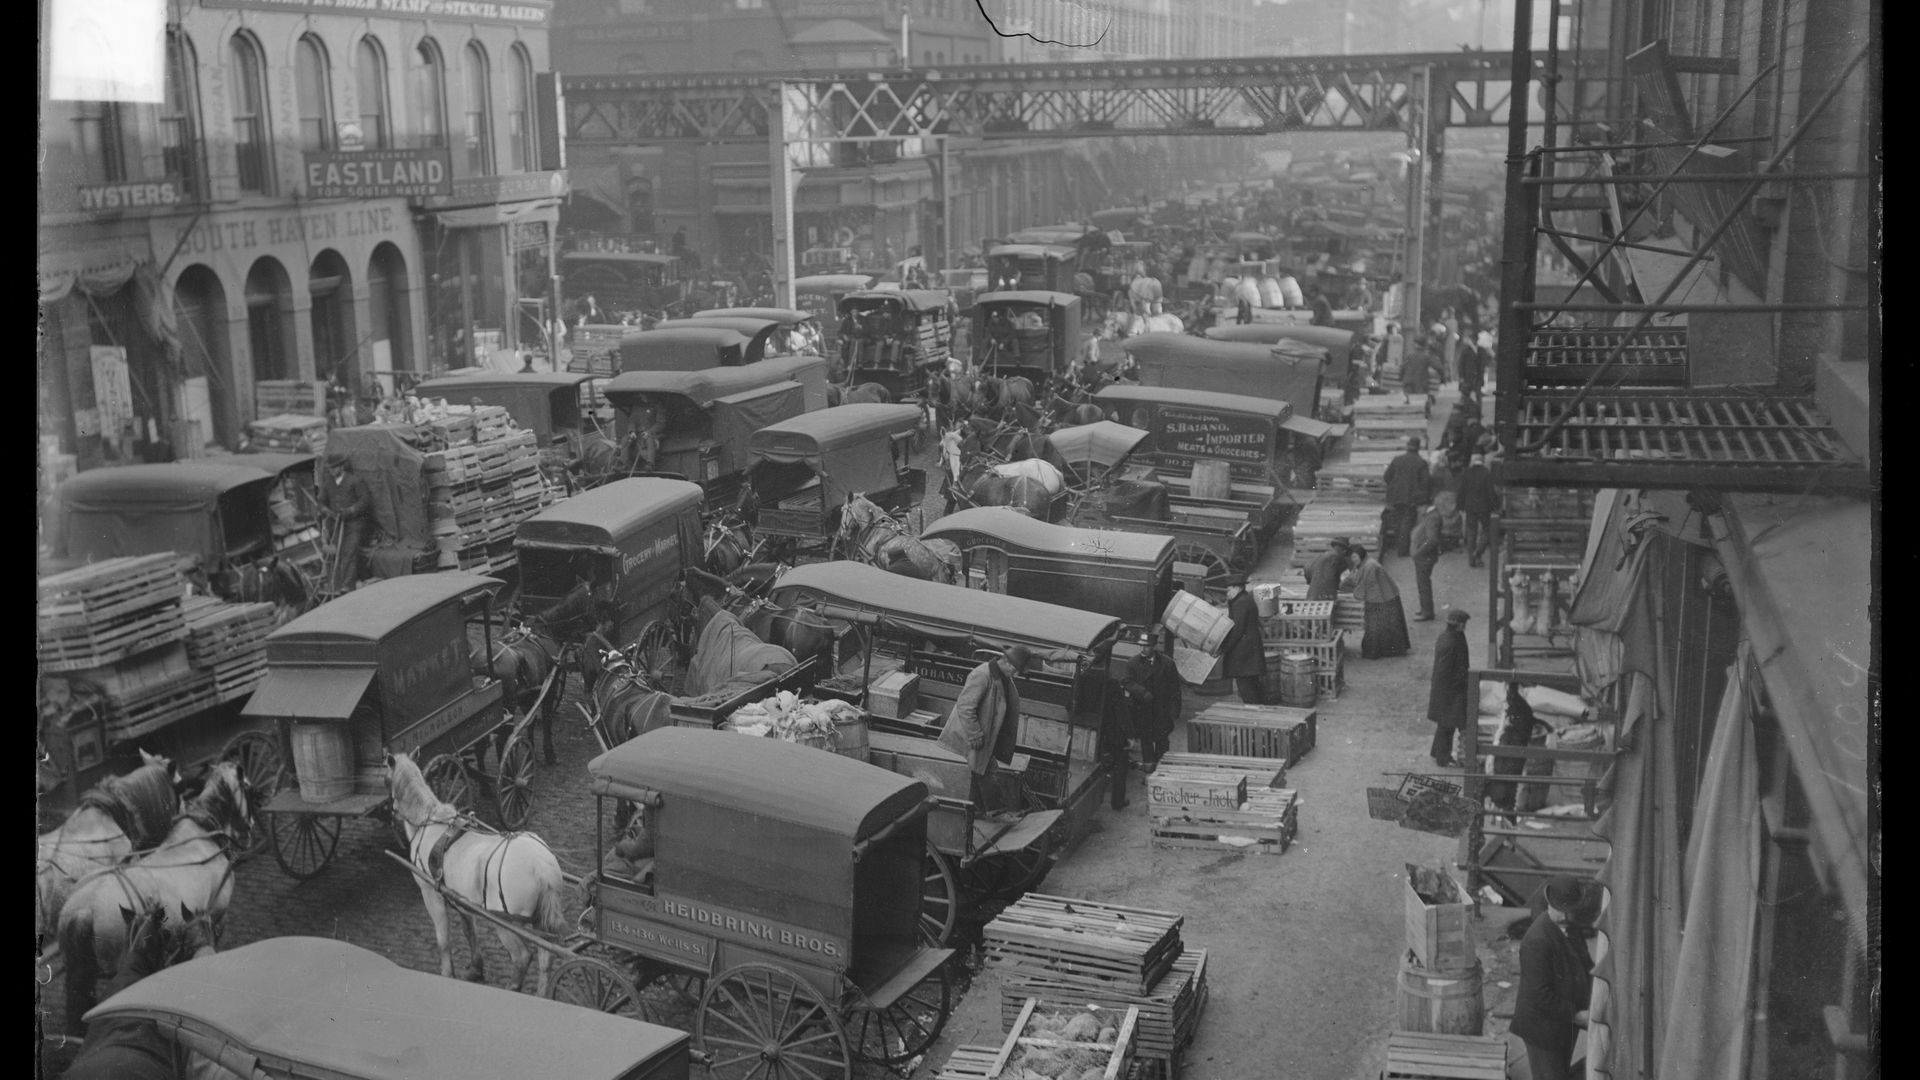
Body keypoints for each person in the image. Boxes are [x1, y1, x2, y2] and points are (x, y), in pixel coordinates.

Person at [1511, 874, 1595, 1080]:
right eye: (1561, 910)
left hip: (1563, 1025)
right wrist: (1577, 1015)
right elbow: (1539, 995)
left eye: (1570, 910)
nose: (1566, 916)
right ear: (1549, 904)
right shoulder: (1537, 940)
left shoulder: (1571, 928)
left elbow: (1586, 965)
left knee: (1560, 1072)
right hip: (1542, 1031)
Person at [937, 645, 1034, 809]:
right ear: (1008, 663)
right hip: (974, 737)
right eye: (1017, 670)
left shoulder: (1002, 677)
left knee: (980, 772)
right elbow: (965, 706)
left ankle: (978, 811)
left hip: (986, 737)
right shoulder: (982, 675)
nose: (1016, 674)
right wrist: (975, 734)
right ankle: (997, 812)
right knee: (987, 773)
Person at [1122, 627, 1181, 774]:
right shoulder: (1133, 663)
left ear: (1154, 647)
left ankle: (1162, 771)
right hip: (1143, 710)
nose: (1143, 648)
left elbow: (1175, 689)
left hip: (1162, 710)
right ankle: (1149, 770)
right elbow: (1126, 681)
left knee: (1162, 741)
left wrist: (1174, 712)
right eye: (1141, 645)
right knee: (1146, 741)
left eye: (1147, 646)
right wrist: (1142, 692)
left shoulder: (1167, 663)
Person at [1344, 544, 1410, 659]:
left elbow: (1366, 585)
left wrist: (1354, 592)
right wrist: (1343, 585)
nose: (1353, 560)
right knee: (1380, 625)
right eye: (1352, 557)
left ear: (1361, 555)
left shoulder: (1370, 565)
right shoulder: (1361, 564)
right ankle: (1385, 650)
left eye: (1355, 557)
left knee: (1377, 625)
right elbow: (1353, 578)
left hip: (1384, 597)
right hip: (1379, 595)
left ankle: (1380, 652)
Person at [320, 459, 375, 595]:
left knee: (349, 552)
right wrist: (327, 511)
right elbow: (321, 502)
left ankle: (347, 587)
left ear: (341, 466)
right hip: (337, 525)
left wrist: (350, 511)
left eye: (334, 468)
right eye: (329, 469)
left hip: (354, 525)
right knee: (335, 554)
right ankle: (338, 586)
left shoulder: (355, 481)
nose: (332, 471)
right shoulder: (328, 484)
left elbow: (365, 500)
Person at [1426, 609, 1471, 766]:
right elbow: (1445, 671)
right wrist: (1462, 682)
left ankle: (1436, 751)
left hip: (1447, 689)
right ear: (1458, 625)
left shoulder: (1449, 637)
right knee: (1448, 724)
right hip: (1450, 691)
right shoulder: (1451, 642)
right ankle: (1442, 758)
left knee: (1444, 722)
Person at [1219, 576, 1266, 705]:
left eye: (1229, 590)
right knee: (1253, 682)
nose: (1227, 593)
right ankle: (1260, 709)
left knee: (1245, 685)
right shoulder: (1244, 599)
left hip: (1244, 652)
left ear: (1237, 588)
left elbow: (1237, 630)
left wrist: (1225, 648)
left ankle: (1252, 714)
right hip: (1250, 648)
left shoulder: (1240, 603)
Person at [1382, 437, 1431, 559]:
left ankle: (1400, 546)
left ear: (1407, 446)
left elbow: (1387, 477)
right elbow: (1425, 483)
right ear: (1418, 448)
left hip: (1396, 497)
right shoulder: (1421, 463)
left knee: (1398, 521)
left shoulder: (1397, 460)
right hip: (1411, 498)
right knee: (1407, 523)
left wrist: (1394, 488)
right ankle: (1402, 550)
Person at [1457, 453, 1497, 568]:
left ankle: (1471, 559)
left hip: (1470, 507)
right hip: (1484, 507)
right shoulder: (1487, 473)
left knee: (1471, 532)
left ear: (1472, 461)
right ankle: (1478, 553)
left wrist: (1460, 505)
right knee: (1485, 530)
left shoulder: (1467, 472)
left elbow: (1462, 490)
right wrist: (1495, 506)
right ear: (1482, 460)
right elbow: (1491, 492)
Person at [1410, 506, 1443, 621]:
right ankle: (1425, 608)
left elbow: (1432, 540)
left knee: (1423, 584)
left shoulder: (1432, 517)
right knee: (1422, 584)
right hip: (1425, 557)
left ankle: (1427, 612)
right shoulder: (1431, 515)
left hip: (1425, 557)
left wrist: (1418, 553)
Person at [1303, 537, 1351, 601]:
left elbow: (1307, 568)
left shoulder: (1320, 556)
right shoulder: (1341, 560)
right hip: (1328, 598)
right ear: (1344, 550)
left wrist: (1310, 582)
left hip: (1311, 596)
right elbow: (1344, 581)